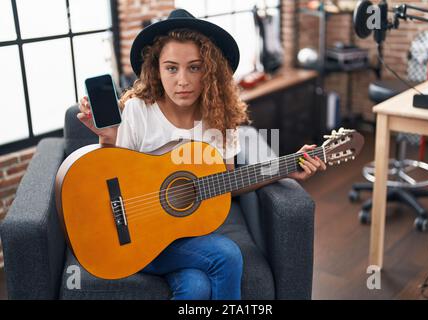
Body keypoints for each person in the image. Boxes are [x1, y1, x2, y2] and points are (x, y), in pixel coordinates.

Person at [77, 9, 326, 300]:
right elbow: (111, 176)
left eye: (194, 67)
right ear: (156, 68)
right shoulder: (138, 110)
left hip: (185, 233)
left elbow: (229, 182)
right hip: (137, 239)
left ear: (210, 69)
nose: (182, 80)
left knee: (196, 287)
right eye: (171, 68)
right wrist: (108, 140)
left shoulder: (221, 117)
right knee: (227, 256)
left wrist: (285, 168)